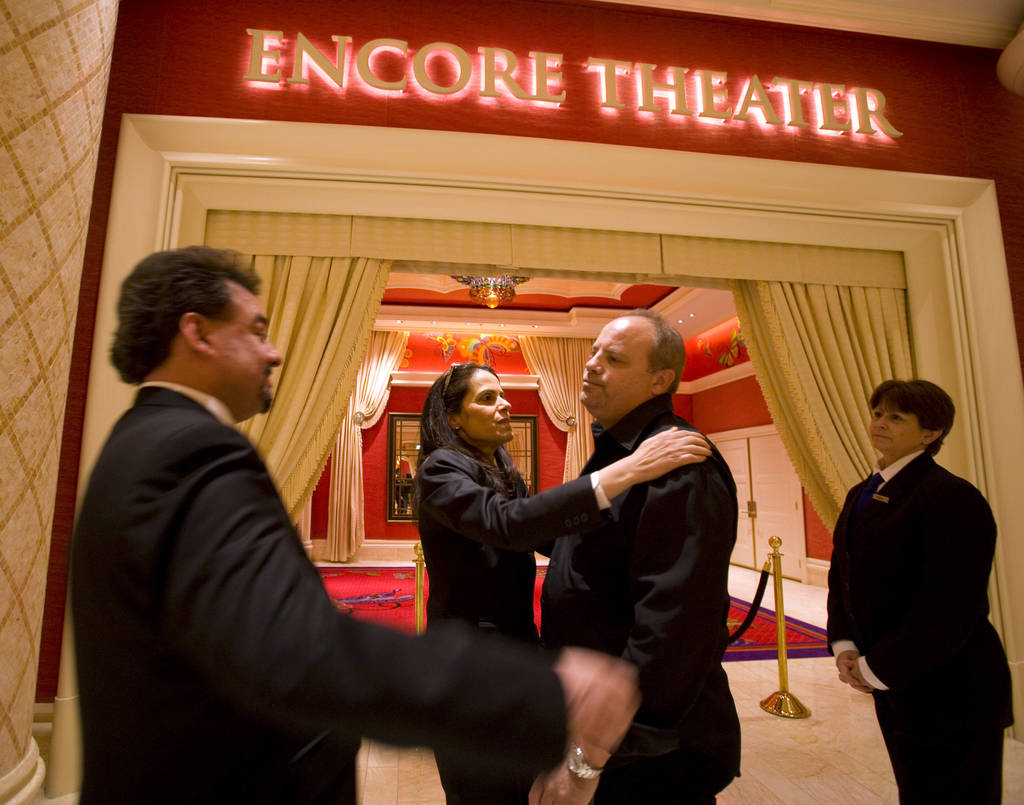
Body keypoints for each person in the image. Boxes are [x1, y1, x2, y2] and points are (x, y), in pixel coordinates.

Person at [70, 246, 642, 804]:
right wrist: (540, 693)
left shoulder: (142, 439)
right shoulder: (190, 450)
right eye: (256, 330)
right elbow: (303, 649)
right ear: (198, 333)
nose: (273, 354)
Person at [415, 361, 712, 804]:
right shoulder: (440, 467)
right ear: (452, 418)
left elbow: (550, 537)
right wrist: (625, 472)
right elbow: (508, 524)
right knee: (481, 786)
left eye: (503, 394)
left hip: (512, 653)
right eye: (487, 398)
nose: (504, 405)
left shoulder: (499, 467)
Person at [533, 309, 742, 805]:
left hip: (648, 753)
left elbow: (673, 625)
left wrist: (595, 756)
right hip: (605, 722)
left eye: (614, 358)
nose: (591, 365)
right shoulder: (619, 451)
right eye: (593, 352)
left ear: (659, 380)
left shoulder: (676, 462)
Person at [827, 379, 1013, 804]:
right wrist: (845, 645)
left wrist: (878, 668)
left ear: (930, 434)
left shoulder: (951, 497)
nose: (880, 423)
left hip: (954, 688)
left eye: (896, 417)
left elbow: (953, 608)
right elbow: (843, 575)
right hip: (897, 683)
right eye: (877, 413)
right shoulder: (863, 492)